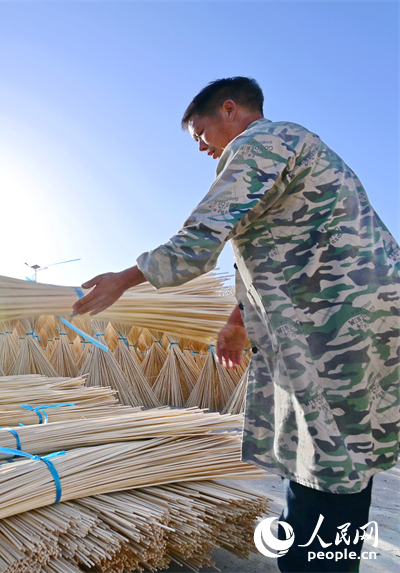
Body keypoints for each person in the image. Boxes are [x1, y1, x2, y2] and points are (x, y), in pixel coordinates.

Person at [73, 77, 399, 573]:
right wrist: (238, 320)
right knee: (346, 460)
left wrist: (126, 277)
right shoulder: (299, 147)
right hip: (358, 320)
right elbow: (280, 251)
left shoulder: (261, 142)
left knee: (322, 464)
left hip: (335, 325)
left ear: (230, 110)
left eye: (201, 133)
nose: (202, 148)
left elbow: (204, 234)